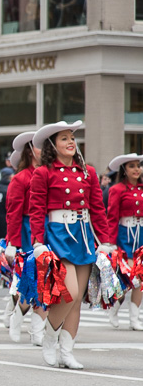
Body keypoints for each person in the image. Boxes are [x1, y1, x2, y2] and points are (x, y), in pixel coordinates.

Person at [30, 121, 111, 369]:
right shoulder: (43, 173)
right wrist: (38, 242)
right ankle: (49, 337)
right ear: (53, 145)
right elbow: (36, 210)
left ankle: (67, 351)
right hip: (58, 236)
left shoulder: (88, 173)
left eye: (72, 138)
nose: (71, 142)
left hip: (84, 236)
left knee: (77, 301)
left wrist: (105, 240)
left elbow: (97, 208)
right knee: (70, 292)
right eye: (64, 138)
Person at [4, 132, 47, 345]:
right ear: (30, 150)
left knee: (47, 282)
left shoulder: (50, 174)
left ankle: (37, 330)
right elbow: (13, 213)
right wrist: (12, 243)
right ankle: (17, 316)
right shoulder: (20, 178)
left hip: (49, 231)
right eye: (40, 147)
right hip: (26, 232)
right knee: (30, 281)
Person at [104, 153, 143, 331]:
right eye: (132, 166)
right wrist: (110, 242)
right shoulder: (117, 189)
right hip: (124, 235)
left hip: (141, 234)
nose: (137, 169)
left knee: (141, 279)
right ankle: (114, 306)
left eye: (138, 165)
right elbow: (111, 217)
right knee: (129, 277)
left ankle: (134, 318)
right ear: (124, 170)